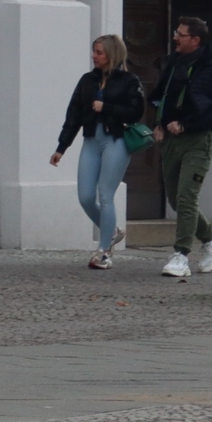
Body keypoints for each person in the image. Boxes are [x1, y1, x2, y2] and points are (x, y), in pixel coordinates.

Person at [53, 34, 146, 270]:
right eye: (94, 51)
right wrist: (62, 147)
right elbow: (73, 115)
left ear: (112, 55)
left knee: (105, 194)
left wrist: (107, 107)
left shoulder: (128, 80)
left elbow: (135, 112)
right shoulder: (87, 81)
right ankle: (112, 231)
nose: (94, 56)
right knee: (85, 196)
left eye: (99, 52)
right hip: (91, 142)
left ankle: (104, 251)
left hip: (115, 141)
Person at [148, 16, 212, 279]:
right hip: (171, 139)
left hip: (198, 140)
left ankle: (181, 255)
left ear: (195, 40)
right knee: (175, 199)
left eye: (180, 34)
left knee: (186, 196)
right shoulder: (173, 63)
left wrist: (187, 125)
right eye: (176, 33)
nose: (175, 38)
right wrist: (159, 123)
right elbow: (161, 97)